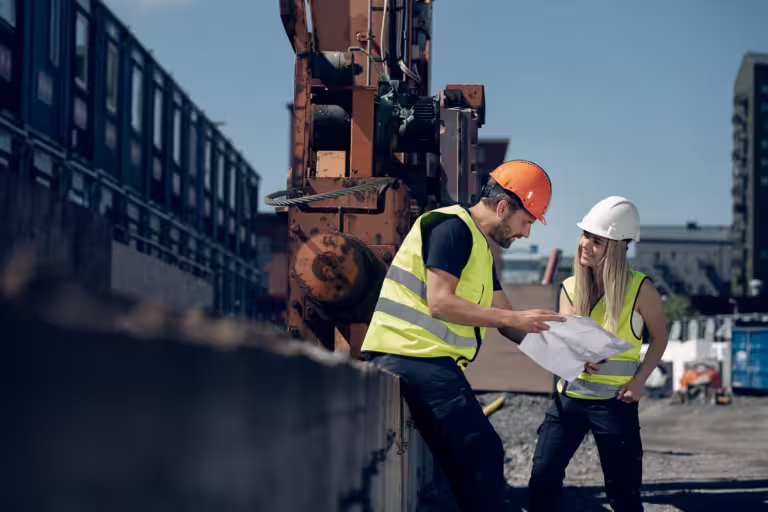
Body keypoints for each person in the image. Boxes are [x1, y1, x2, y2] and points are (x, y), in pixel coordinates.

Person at [361, 160, 587, 511]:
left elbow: (511, 324)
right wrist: (514, 317)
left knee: (479, 457)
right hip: (410, 356)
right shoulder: (452, 229)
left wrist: (576, 356)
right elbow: (440, 302)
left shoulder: (479, 249)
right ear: (502, 207)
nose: (526, 233)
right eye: (526, 222)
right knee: (481, 453)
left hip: (428, 362)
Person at [528, 196, 669, 512]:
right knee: (542, 478)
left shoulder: (640, 289)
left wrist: (639, 382)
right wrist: (574, 357)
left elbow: (660, 338)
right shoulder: (569, 287)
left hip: (615, 404)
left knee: (624, 494)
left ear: (617, 247)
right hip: (570, 400)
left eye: (596, 240)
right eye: (584, 236)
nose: (584, 245)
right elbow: (563, 343)